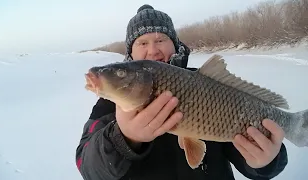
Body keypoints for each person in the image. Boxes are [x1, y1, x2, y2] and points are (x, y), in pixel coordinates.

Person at [75, 4, 288, 180]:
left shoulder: (208, 85)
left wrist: (266, 162)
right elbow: (87, 166)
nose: (153, 50)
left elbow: (247, 159)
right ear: (131, 53)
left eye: (160, 40)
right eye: (142, 42)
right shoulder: (110, 104)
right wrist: (124, 138)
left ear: (175, 45)